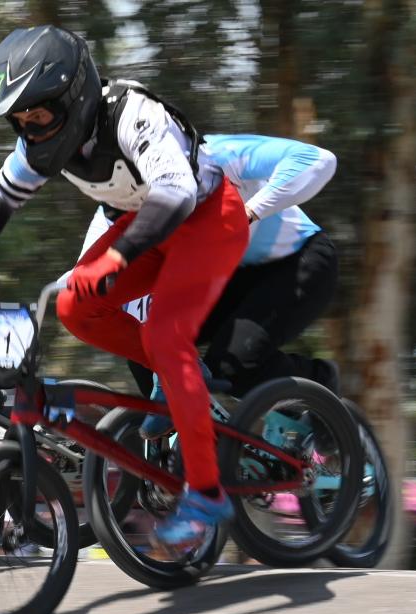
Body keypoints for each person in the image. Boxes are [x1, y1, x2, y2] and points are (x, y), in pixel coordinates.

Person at [0, 25, 248, 550]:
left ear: (73, 98)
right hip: (147, 224)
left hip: (208, 217)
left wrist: (120, 256)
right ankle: (180, 378)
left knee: (168, 337)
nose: (31, 131)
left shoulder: (133, 114)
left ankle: (208, 492)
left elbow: (177, 192)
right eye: (20, 120)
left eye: (40, 117)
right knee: (77, 309)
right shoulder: (37, 146)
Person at [75, 134, 341, 438]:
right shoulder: (114, 208)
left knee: (231, 365)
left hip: (298, 260)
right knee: (142, 345)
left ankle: (320, 382)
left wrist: (249, 212)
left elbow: (319, 160)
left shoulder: (214, 155)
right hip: (232, 276)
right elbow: (82, 278)